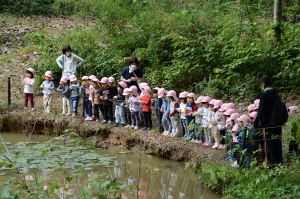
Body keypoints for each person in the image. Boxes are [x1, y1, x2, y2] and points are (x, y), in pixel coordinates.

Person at [254, 75, 283, 165]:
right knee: (277, 141)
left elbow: (261, 110)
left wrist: (256, 123)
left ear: (263, 83)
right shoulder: (276, 93)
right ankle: (278, 162)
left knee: (268, 142)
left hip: (268, 123)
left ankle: (270, 162)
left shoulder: (264, 95)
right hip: (277, 122)